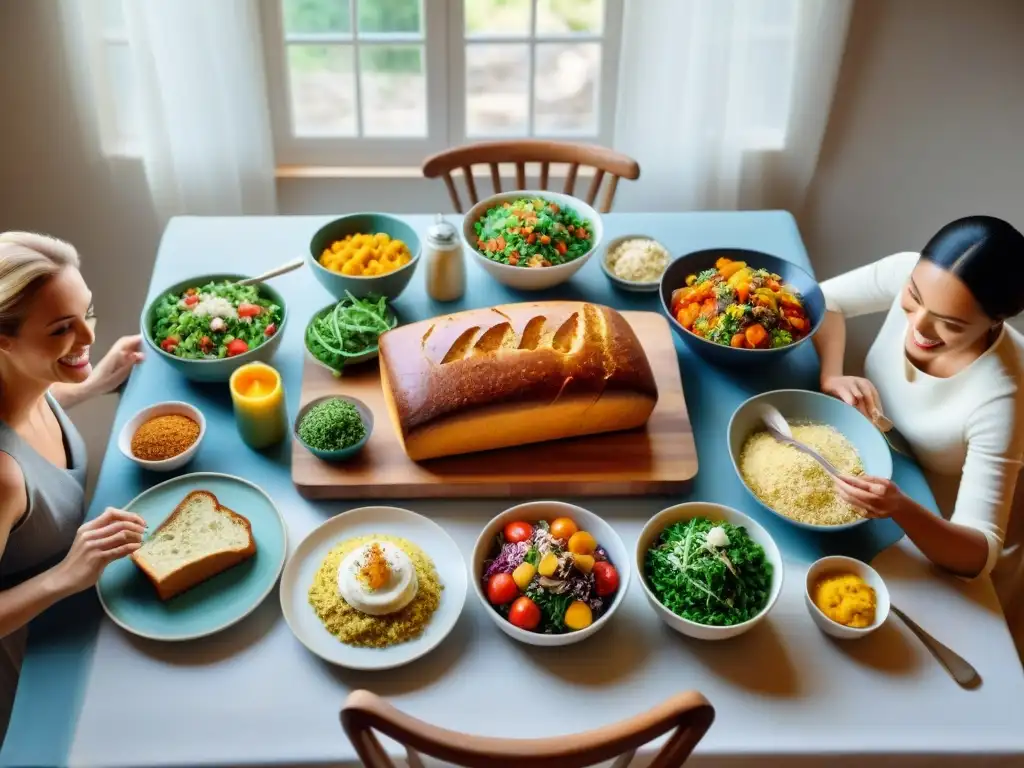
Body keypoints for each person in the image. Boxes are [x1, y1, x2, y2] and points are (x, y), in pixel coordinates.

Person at [814, 215, 1024, 661]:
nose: (920, 327)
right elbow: (824, 300)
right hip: (885, 464)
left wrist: (899, 507)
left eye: (949, 323)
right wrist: (833, 373)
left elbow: (978, 553)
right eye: (913, 298)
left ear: (995, 322)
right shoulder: (911, 273)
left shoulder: (1003, 394)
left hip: (939, 522)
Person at [0, 232, 148, 743]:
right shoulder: (1, 478)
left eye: (87, 313)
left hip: (83, 599)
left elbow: (37, 407)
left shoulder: (24, 382)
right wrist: (66, 574)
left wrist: (94, 381)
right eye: (63, 329)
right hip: (39, 654)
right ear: (4, 340)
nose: (87, 339)